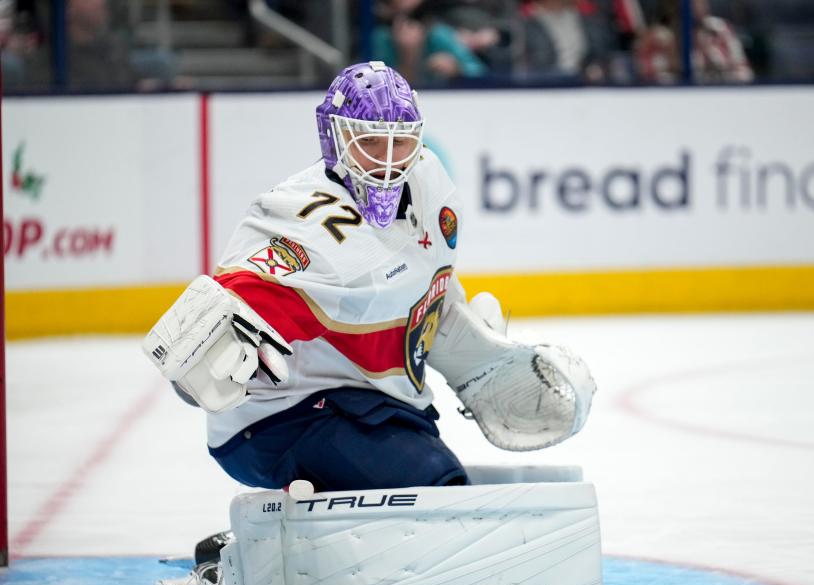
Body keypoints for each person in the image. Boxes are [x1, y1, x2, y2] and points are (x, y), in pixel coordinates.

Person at [144, 59, 594, 510]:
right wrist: (212, 356)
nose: (388, 160)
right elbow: (230, 313)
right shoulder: (303, 223)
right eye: (371, 143)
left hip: (371, 402)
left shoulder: (430, 179)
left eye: (401, 144)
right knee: (431, 487)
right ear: (334, 138)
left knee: (432, 474)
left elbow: (425, 298)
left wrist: (482, 359)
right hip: (275, 421)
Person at [637, 0, 753, 84]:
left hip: (719, 100)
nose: (698, 3)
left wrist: (713, 65)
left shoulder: (720, 29)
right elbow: (651, 82)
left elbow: (744, 74)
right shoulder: (656, 38)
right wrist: (674, 60)